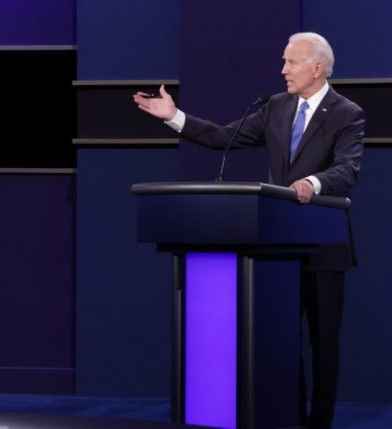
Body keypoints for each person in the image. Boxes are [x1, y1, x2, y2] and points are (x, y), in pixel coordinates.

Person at [133, 32, 364, 428]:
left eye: (291, 62)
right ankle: (288, 418)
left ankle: (320, 423)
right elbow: (225, 136)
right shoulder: (275, 107)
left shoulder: (347, 113)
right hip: (278, 247)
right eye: (284, 61)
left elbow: (347, 170)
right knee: (281, 343)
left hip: (325, 246)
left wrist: (313, 184)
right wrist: (174, 116)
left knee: (324, 345)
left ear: (317, 68)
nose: (283, 70)